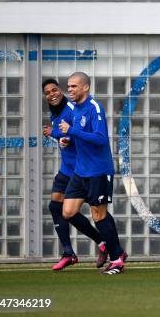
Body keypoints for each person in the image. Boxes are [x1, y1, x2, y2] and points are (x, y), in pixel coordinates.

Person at [58, 72, 127, 275]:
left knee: (99, 214)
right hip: (81, 171)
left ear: (85, 87)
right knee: (68, 211)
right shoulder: (73, 109)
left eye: (74, 86)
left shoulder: (94, 108)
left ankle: (117, 261)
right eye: (68, 86)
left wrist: (72, 131)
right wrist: (67, 139)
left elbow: (100, 138)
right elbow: (74, 133)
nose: (69, 90)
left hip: (98, 170)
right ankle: (114, 248)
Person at [41, 78, 107, 271]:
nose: (52, 94)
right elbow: (63, 134)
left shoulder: (73, 108)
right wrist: (55, 134)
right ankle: (69, 253)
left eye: (55, 90)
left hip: (82, 169)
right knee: (55, 206)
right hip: (66, 168)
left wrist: (64, 137)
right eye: (47, 92)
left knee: (96, 213)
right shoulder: (55, 112)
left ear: (60, 91)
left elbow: (78, 133)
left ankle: (106, 243)